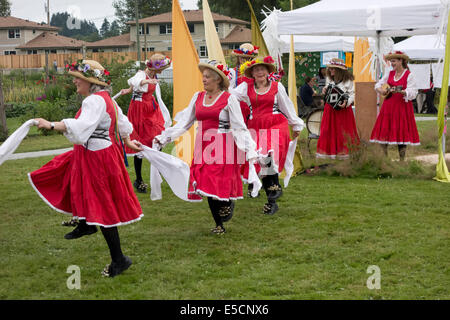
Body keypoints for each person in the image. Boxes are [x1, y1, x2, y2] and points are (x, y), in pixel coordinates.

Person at [29, 60, 143, 277]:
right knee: (73, 180)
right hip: (95, 153)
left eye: (77, 78)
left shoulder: (93, 101)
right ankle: (86, 222)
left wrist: (51, 124)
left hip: (97, 156)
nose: (74, 82)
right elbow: (122, 122)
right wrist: (127, 141)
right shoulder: (105, 98)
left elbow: (81, 127)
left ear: (90, 82)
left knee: (103, 205)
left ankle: (119, 259)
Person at [153, 60, 258, 235]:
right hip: (203, 145)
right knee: (205, 182)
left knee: (219, 181)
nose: (204, 79)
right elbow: (185, 123)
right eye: (203, 76)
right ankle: (218, 224)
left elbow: (239, 126)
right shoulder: (198, 97)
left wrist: (250, 149)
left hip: (223, 145)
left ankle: (227, 203)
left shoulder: (229, 99)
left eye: (208, 77)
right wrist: (164, 138)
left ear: (218, 80)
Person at [230, 56, 305, 215]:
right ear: (252, 73)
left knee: (269, 153)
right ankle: (272, 200)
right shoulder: (245, 87)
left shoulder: (277, 87)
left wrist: (296, 124)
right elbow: (229, 97)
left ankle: (275, 187)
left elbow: (287, 107)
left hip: (275, 124)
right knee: (259, 161)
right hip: (255, 127)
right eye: (256, 69)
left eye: (262, 69)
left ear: (267, 71)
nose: (260, 72)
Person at [120, 53, 172, 193]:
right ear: (155, 67)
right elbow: (137, 82)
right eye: (162, 68)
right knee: (140, 141)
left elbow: (133, 85)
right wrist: (146, 82)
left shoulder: (153, 75)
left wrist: (129, 90)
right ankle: (139, 179)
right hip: (139, 110)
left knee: (158, 136)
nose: (163, 70)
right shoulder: (142, 74)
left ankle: (158, 167)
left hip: (150, 108)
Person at [370, 51, 420, 161]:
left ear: (401, 61)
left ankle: (402, 160)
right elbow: (378, 84)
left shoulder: (409, 75)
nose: (392, 64)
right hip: (388, 106)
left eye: (394, 61)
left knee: (401, 133)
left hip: (401, 107)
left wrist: (403, 92)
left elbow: (413, 92)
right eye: (391, 61)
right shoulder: (390, 73)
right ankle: (385, 160)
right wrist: (382, 90)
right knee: (385, 131)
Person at [316, 58, 359, 160]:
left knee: (343, 131)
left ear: (339, 70)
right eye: (330, 69)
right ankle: (329, 155)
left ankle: (344, 155)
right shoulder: (329, 79)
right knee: (328, 131)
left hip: (343, 111)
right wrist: (324, 90)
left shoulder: (348, 80)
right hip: (329, 109)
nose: (331, 71)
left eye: (333, 69)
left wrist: (346, 102)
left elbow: (353, 94)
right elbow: (326, 91)